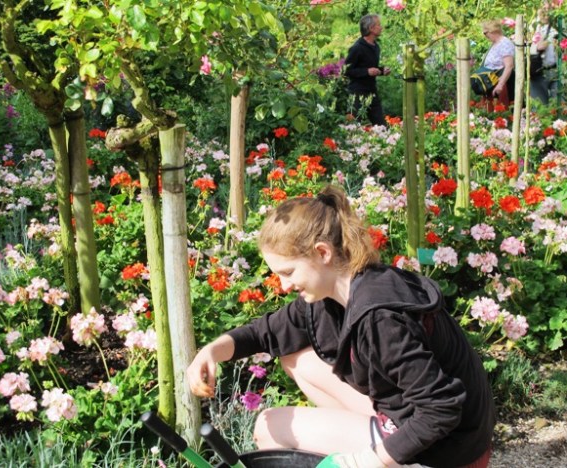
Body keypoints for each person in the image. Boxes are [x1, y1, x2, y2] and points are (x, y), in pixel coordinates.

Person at [187, 185, 496, 468]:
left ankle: (394, 457)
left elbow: (441, 408)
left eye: (288, 271)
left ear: (323, 252)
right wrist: (211, 352)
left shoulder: (380, 317)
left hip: (448, 452)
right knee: (295, 358)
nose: (283, 285)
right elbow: (263, 333)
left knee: (269, 429)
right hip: (430, 423)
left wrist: (369, 461)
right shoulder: (338, 290)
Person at [344, 14, 391, 126]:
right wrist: (367, 72)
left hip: (371, 92)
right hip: (357, 94)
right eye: (378, 25)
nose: (381, 27)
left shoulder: (375, 46)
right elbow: (347, 70)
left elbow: (370, 67)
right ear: (371, 28)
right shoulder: (357, 48)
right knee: (352, 127)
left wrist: (382, 70)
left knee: (382, 127)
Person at [480, 20, 515, 108]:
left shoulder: (504, 43)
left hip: (502, 83)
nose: (485, 36)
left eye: (485, 33)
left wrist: (500, 84)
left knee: (502, 109)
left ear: (493, 30)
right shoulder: (495, 44)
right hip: (492, 82)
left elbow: (509, 66)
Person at [529, 6, 558, 104]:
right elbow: (522, 48)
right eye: (543, 12)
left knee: (560, 106)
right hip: (538, 70)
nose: (545, 15)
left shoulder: (559, 25)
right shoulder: (532, 26)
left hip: (556, 69)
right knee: (539, 106)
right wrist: (536, 48)